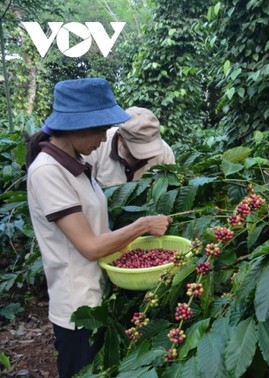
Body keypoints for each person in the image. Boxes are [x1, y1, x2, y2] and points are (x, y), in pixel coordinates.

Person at [25, 78, 173, 378]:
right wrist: (143, 225)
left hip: (96, 297)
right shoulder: (48, 172)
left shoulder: (74, 164)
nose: (105, 139)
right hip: (77, 309)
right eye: (100, 130)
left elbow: (96, 229)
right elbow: (90, 246)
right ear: (76, 127)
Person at [83, 106, 175, 187]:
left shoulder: (165, 153)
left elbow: (170, 186)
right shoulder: (98, 147)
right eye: (140, 147)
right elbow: (85, 190)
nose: (148, 155)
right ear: (121, 137)